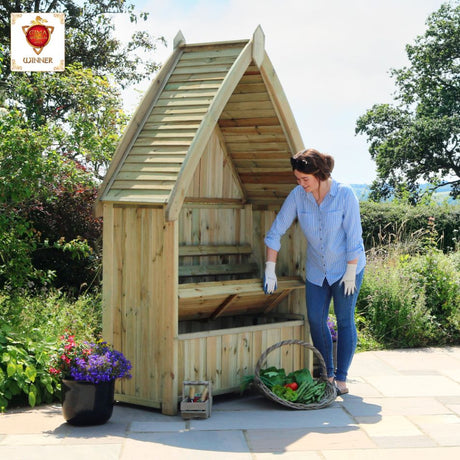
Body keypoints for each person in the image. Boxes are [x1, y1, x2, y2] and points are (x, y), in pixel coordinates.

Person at [263, 148, 366, 395]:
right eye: (297, 179)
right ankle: (327, 375)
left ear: (319, 174)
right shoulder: (298, 196)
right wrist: (270, 268)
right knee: (316, 321)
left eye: (304, 179)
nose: (300, 184)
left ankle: (341, 379)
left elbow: (354, 238)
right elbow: (276, 231)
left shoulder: (344, 195)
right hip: (318, 270)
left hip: (346, 269)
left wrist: (351, 271)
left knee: (344, 320)